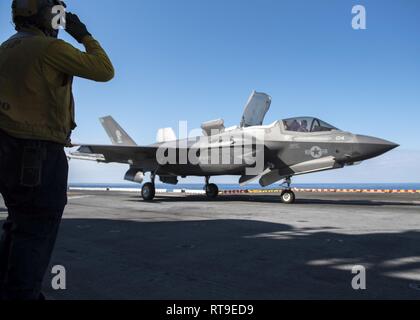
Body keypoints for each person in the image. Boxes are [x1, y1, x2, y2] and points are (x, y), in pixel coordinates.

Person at [0, 0, 114, 300]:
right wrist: (82, 34)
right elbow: (105, 70)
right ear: (46, 16)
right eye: (57, 15)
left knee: (17, 226)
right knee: (36, 230)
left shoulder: (5, 48)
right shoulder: (49, 49)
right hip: (37, 155)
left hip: (7, 152)